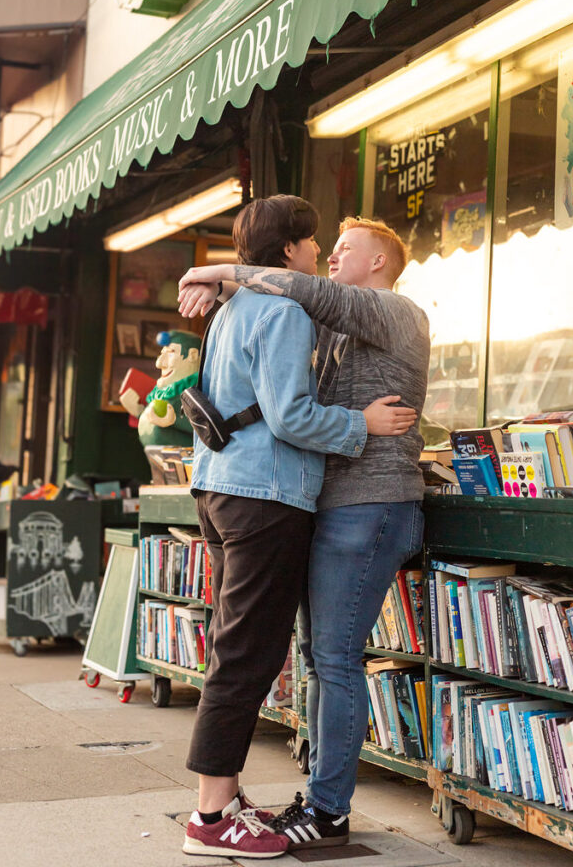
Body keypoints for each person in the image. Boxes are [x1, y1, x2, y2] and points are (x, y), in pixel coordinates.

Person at [179, 213, 430, 850]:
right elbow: (279, 310)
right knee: (319, 659)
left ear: (378, 263)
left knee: (336, 660)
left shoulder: (395, 311)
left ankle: (328, 809)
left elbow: (306, 293)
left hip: (369, 505)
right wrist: (227, 292)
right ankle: (313, 797)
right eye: (325, 244)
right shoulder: (323, 319)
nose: (330, 255)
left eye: (346, 248)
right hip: (321, 503)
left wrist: (220, 271)